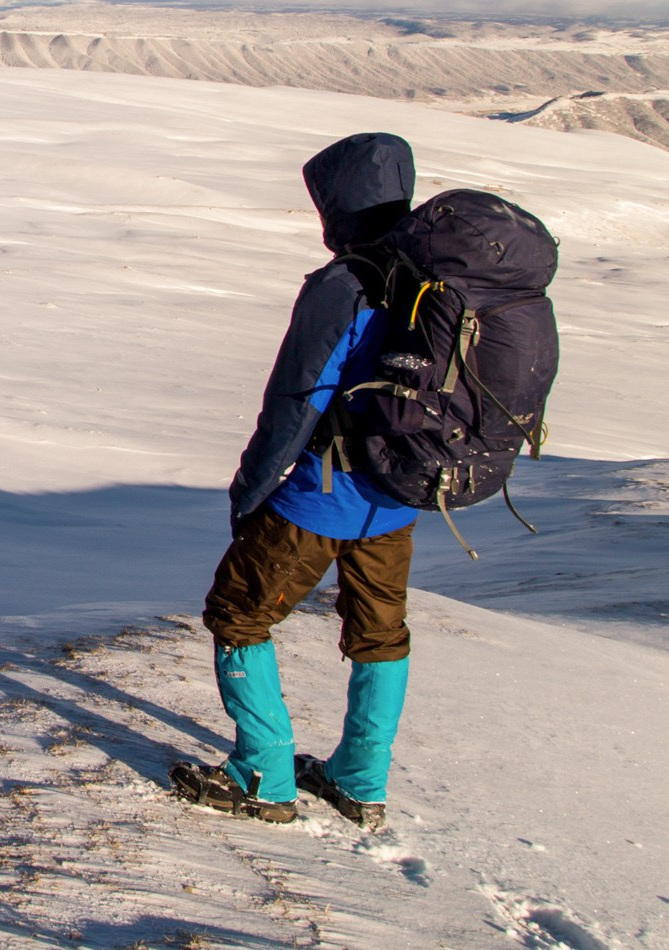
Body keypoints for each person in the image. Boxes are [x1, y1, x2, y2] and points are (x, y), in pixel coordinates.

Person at [171, 132, 419, 830]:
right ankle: (361, 777)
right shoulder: (432, 278)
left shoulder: (344, 285)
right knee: (380, 632)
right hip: (397, 493)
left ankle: (263, 772)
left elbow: (297, 399)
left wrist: (251, 490)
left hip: (322, 492)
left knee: (238, 613)